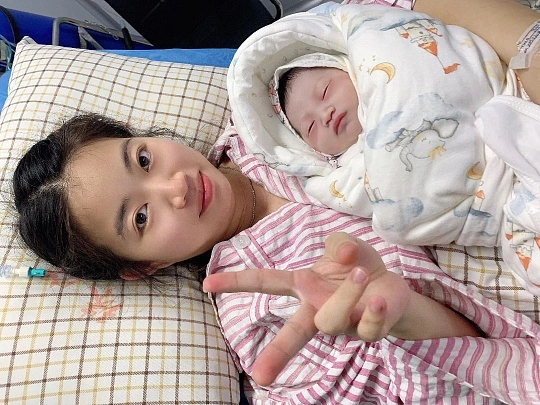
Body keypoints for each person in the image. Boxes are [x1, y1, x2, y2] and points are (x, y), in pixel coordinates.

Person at [11, 0, 540, 403]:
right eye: (141, 217)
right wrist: (403, 312)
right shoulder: (259, 311)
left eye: (144, 159)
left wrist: (531, 57)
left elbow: (397, 17)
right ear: (144, 266)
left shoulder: (264, 106)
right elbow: (458, 381)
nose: (175, 187)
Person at [240, 1, 540, 296]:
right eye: (310, 127)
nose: (325, 114)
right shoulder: (344, 174)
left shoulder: (389, 68)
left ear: (351, 68)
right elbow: (393, 213)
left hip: (512, 118)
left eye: (325, 91)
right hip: (506, 204)